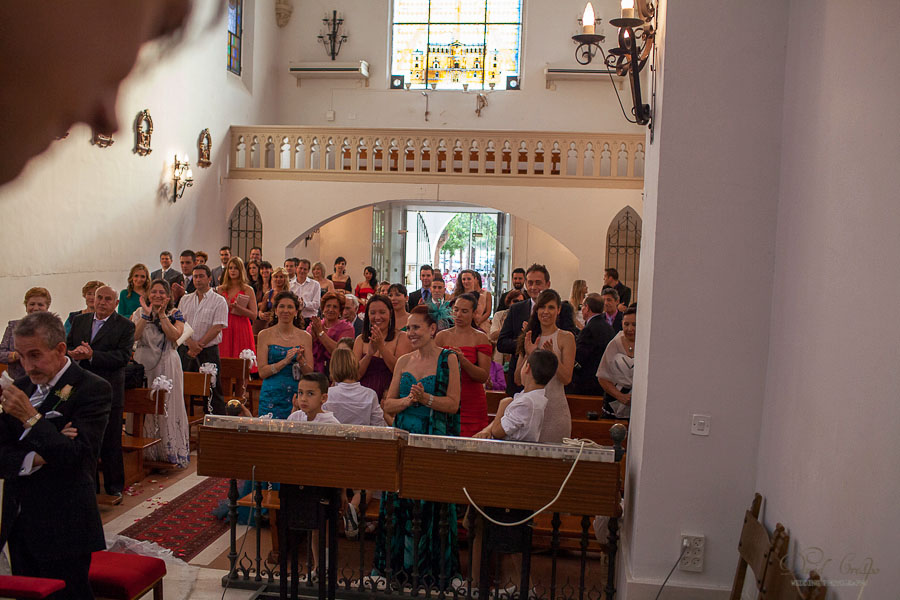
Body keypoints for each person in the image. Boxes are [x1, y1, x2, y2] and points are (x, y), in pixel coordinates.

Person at [0, 312, 111, 598]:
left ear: (60, 349)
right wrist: (37, 458)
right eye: (22, 356)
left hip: (65, 522)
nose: (27, 365)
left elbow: (76, 457)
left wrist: (31, 418)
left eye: (35, 355)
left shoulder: (92, 388)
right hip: (19, 519)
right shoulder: (20, 388)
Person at [376, 305, 461, 581]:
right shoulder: (403, 361)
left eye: (416, 328)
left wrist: (427, 400)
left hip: (432, 441)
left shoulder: (448, 360)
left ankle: (433, 571)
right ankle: (395, 567)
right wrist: (409, 401)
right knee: (399, 505)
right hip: (404, 439)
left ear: (432, 329)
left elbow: (453, 404)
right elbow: (388, 403)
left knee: (431, 506)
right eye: (408, 328)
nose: (410, 333)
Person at [67, 285, 135, 498]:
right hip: (81, 389)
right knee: (84, 439)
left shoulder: (125, 326)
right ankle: (89, 486)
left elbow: (122, 358)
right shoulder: (79, 321)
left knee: (111, 440)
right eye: (99, 298)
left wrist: (92, 355)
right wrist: (73, 353)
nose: (102, 302)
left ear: (116, 303)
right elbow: (67, 348)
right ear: (93, 300)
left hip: (109, 390)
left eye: (108, 299)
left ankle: (114, 487)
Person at [324, 347, 386, 538]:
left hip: (335, 455)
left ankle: (341, 508)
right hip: (361, 454)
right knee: (369, 483)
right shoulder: (369, 394)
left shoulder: (328, 395)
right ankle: (355, 505)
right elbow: (380, 426)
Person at [131, 279, 189, 467]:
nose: (157, 295)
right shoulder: (139, 313)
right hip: (143, 364)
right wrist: (146, 316)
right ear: (148, 294)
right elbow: (134, 336)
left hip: (167, 364)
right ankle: (144, 452)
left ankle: (168, 452)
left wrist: (162, 315)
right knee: (143, 405)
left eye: (162, 292)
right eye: (154, 292)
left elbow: (174, 336)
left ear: (168, 296)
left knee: (167, 405)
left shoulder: (175, 313)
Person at [497, 264, 576, 395]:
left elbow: (570, 338)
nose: (533, 287)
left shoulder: (563, 309)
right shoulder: (516, 308)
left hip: (553, 380)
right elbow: (502, 343)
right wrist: (525, 342)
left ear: (548, 284)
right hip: (522, 378)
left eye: (538, 283)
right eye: (530, 283)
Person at [515, 289, 575, 443]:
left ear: (559, 310)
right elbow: (518, 379)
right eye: (542, 307)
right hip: (530, 411)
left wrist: (553, 357)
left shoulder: (565, 338)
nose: (546, 312)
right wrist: (529, 354)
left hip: (554, 409)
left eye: (551, 307)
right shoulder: (530, 337)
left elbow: (566, 378)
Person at [435, 292, 491, 437]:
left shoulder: (481, 338)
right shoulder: (442, 336)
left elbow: (483, 376)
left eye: (464, 311)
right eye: (456, 310)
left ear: (474, 313)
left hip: (472, 400)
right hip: (446, 397)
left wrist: (463, 360)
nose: (459, 314)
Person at [474, 348, 557, 441]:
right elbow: (505, 421)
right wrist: (487, 430)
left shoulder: (526, 402)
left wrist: (503, 405)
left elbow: (497, 432)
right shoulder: (531, 397)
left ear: (527, 368)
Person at [178, 264, 229, 414]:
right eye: (195, 276)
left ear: (209, 278)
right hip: (186, 349)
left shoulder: (219, 300)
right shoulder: (185, 299)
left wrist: (199, 345)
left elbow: (218, 326)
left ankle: (214, 424)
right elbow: (180, 324)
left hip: (208, 350)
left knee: (212, 389)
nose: (198, 280)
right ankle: (183, 419)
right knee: (184, 386)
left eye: (201, 276)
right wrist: (190, 344)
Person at [257, 292, 313, 419]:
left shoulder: (305, 337)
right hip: (271, 394)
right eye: (281, 307)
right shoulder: (264, 335)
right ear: (275, 311)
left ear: (296, 311)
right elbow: (262, 372)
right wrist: (285, 361)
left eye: (290, 307)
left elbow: (309, 373)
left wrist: (301, 360)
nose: (285, 311)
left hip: (295, 396)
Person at [353, 294, 411, 402]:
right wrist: (369, 354)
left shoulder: (402, 337)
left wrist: (381, 347)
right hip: (363, 398)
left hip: (389, 396)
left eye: (382, 312)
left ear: (390, 313)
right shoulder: (360, 340)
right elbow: (355, 376)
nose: (377, 317)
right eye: (373, 313)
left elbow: (400, 372)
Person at [568, 293, 616, 396]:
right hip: (605, 379)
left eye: (583, 306)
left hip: (588, 382)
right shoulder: (608, 327)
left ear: (587, 308)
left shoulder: (589, 329)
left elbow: (579, 357)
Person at [1, 287, 53, 380]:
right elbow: (1, 354)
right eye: (32, 304)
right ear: (26, 306)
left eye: (40, 304)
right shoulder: (13, 326)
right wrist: (15, 355)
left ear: (47, 307)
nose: (36, 308)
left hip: (43, 382)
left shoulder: (53, 329)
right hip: (16, 382)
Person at [596, 307, 636, 419]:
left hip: (637, 403)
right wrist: (620, 396)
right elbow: (602, 377)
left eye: (634, 325)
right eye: (626, 324)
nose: (630, 328)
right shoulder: (614, 344)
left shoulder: (645, 345)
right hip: (614, 401)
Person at [216, 256, 258, 360]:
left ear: (241, 270)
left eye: (236, 268)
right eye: (230, 268)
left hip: (241, 326)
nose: (233, 271)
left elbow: (254, 315)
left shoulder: (248, 289)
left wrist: (238, 308)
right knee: (224, 359)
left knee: (241, 362)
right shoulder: (221, 289)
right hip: (224, 325)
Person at [307, 292, 355, 374]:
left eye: (335, 307)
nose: (331, 310)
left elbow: (339, 353)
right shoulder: (315, 324)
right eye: (328, 306)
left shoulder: (347, 328)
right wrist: (313, 336)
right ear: (323, 309)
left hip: (336, 372)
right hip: (314, 372)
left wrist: (320, 333)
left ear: (340, 311)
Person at [257, 266, 291, 331]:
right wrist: (262, 315)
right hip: (270, 326)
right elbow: (261, 311)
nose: (278, 279)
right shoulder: (268, 294)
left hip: (285, 326)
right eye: (276, 277)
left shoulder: (289, 295)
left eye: (281, 277)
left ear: (285, 278)